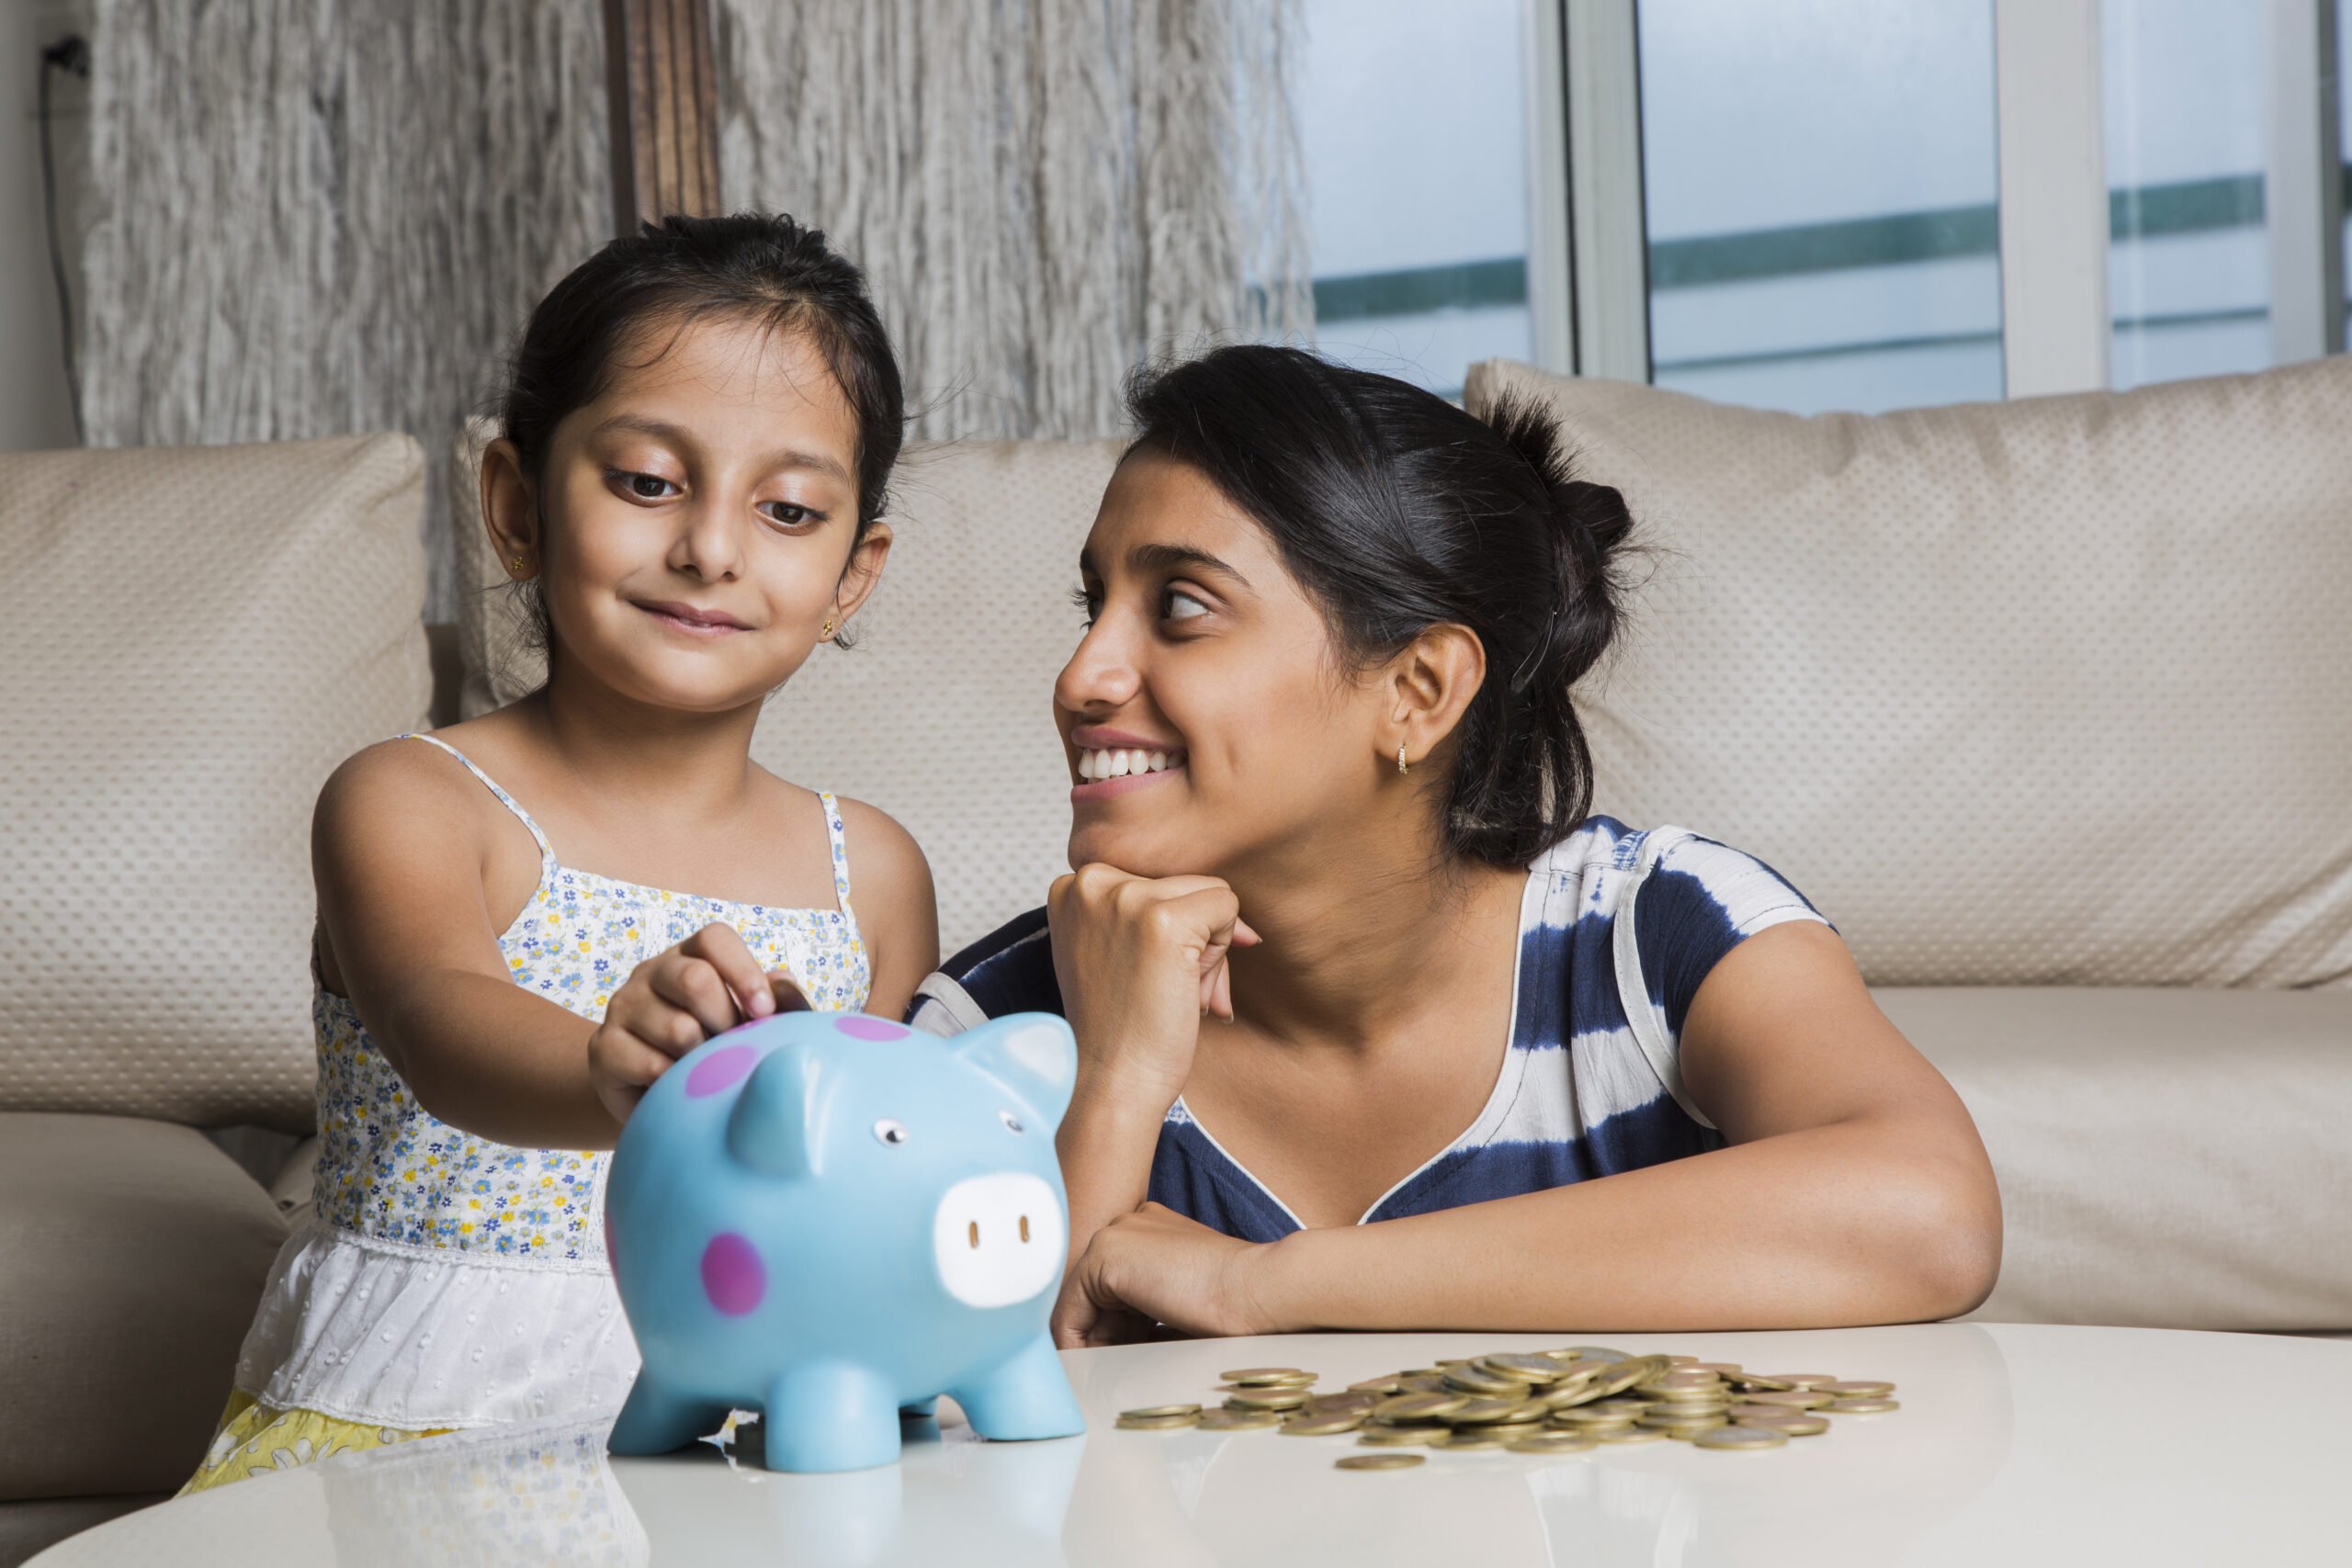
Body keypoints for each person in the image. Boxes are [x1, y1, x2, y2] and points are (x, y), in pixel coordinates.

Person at [910, 344, 2001, 1346]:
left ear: (1418, 691)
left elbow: (1927, 1213)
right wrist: (1116, 1080)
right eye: (1095, 604)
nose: (1082, 676)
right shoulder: (994, 1019)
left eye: (1182, 607)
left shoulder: (1655, 931)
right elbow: (972, 1438)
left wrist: (1269, 1285)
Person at [185, 213, 938, 1492]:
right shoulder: (414, 798)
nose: (710, 546)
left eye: (790, 507)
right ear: (517, 504)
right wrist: (609, 1064)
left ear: (853, 573)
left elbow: (876, 1181)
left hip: (741, 1426)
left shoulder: (871, 865)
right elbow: (442, 1021)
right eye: (648, 481)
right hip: (420, 1412)